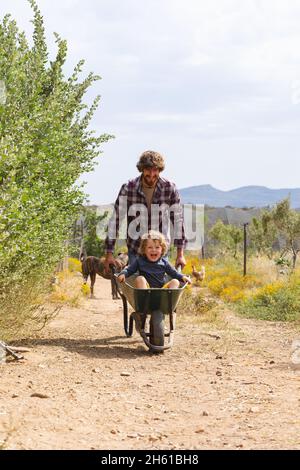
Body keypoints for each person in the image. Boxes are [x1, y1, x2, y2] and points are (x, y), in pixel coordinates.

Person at [104, 150, 187, 274]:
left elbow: (178, 221)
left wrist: (180, 254)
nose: (152, 175)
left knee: (159, 287)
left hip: (160, 249)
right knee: (139, 286)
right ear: (142, 169)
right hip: (136, 248)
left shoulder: (169, 188)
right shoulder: (128, 188)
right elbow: (115, 220)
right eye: (148, 170)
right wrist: (109, 253)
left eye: (156, 171)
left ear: (160, 170)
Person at [117, 231, 191, 288]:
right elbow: (129, 270)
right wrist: (123, 274)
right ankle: (145, 303)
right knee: (140, 279)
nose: (153, 250)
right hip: (146, 289)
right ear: (144, 249)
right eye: (150, 247)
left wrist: (182, 277)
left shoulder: (164, 263)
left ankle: (168, 302)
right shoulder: (139, 261)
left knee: (175, 281)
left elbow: (174, 273)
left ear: (162, 250)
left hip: (162, 291)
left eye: (157, 247)